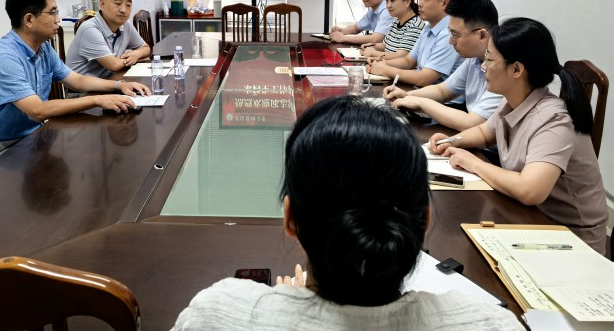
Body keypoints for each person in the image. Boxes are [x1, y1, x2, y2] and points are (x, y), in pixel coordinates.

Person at [171, 97, 523, 330]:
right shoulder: (492, 323)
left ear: (290, 219)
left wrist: (286, 304)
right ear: (426, 219)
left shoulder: (217, 315)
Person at [428, 18, 608, 254]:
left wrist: (473, 163)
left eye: (489, 59)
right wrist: (450, 141)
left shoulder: (554, 120)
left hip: (571, 238)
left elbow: (529, 190)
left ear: (516, 69)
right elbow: (484, 132)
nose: (483, 67)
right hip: (532, 218)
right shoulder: (513, 101)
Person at [0, 0, 150, 175]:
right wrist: (98, 100)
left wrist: (118, 85)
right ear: (29, 20)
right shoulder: (4, 58)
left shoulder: (43, 49)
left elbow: (77, 80)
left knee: (84, 162)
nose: (58, 19)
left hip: (29, 137)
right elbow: (37, 111)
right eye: (52, 13)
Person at [385, 0, 502, 131]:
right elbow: (443, 91)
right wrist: (406, 96)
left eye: (455, 35)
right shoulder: (474, 59)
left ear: (482, 35)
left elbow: (471, 122)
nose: (450, 41)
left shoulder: (503, 68)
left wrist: (421, 102)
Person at [368, 0, 462, 87]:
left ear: (444, 3)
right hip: (419, 91)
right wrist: (381, 63)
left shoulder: (448, 35)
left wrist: (384, 69)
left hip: (434, 95)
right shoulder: (428, 28)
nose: (420, 3)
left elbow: (423, 79)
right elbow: (408, 61)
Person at [66, 0, 151, 78]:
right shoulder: (89, 29)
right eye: (118, 3)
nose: (123, 10)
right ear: (102, 4)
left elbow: (146, 48)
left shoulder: (125, 24)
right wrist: (134, 59)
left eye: (128, 5)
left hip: (109, 80)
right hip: (84, 87)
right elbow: (114, 65)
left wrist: (136, 54)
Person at [359, 0, 424, 61]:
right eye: (386, 1)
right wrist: (371, 46)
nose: (388, 5)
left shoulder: (415, 26)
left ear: (407, 2)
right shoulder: (396, 21)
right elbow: (385, 45)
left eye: (392, 1)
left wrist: (373, 53)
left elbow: (401, 56)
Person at [329, 0, 394, 45]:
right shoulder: (372, 11)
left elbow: (376, 39)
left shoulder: (388, 10)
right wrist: (341, 30)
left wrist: (343, 38)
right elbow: (356, 28)